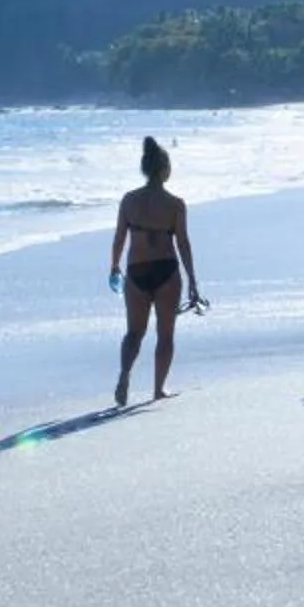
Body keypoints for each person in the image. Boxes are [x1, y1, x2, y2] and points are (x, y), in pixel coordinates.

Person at [107, 136, 200, 407]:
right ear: (164, 169)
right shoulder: (175, 204)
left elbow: (119, 239)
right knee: (165, 333)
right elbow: (182, 242)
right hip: (166, 272)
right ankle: (158, 389)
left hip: (136, 271)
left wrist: (114, 267)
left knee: (133, 333)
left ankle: (125, 374)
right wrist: (193, 279)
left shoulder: (129, 200)